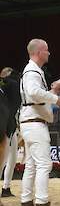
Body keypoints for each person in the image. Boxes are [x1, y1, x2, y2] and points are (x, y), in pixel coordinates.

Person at [19, 38, 60, 206]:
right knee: (44, 164)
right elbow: (34, 93)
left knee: (31, 166)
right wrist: (55, 99)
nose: (49, 53)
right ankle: (42, 205)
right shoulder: (32, 71)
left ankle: (26, 205)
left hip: (29, 122)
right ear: (39, 52)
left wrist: (53, 91)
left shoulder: (32, 71)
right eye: (46, 50)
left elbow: (36, 95)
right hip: (35, 124)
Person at [0, 67, 21, 197]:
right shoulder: (9, 85)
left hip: (11, 125)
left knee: (12, 158)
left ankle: (6, 188)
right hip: (5, 126)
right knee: (2, 159)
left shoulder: (10, 85)